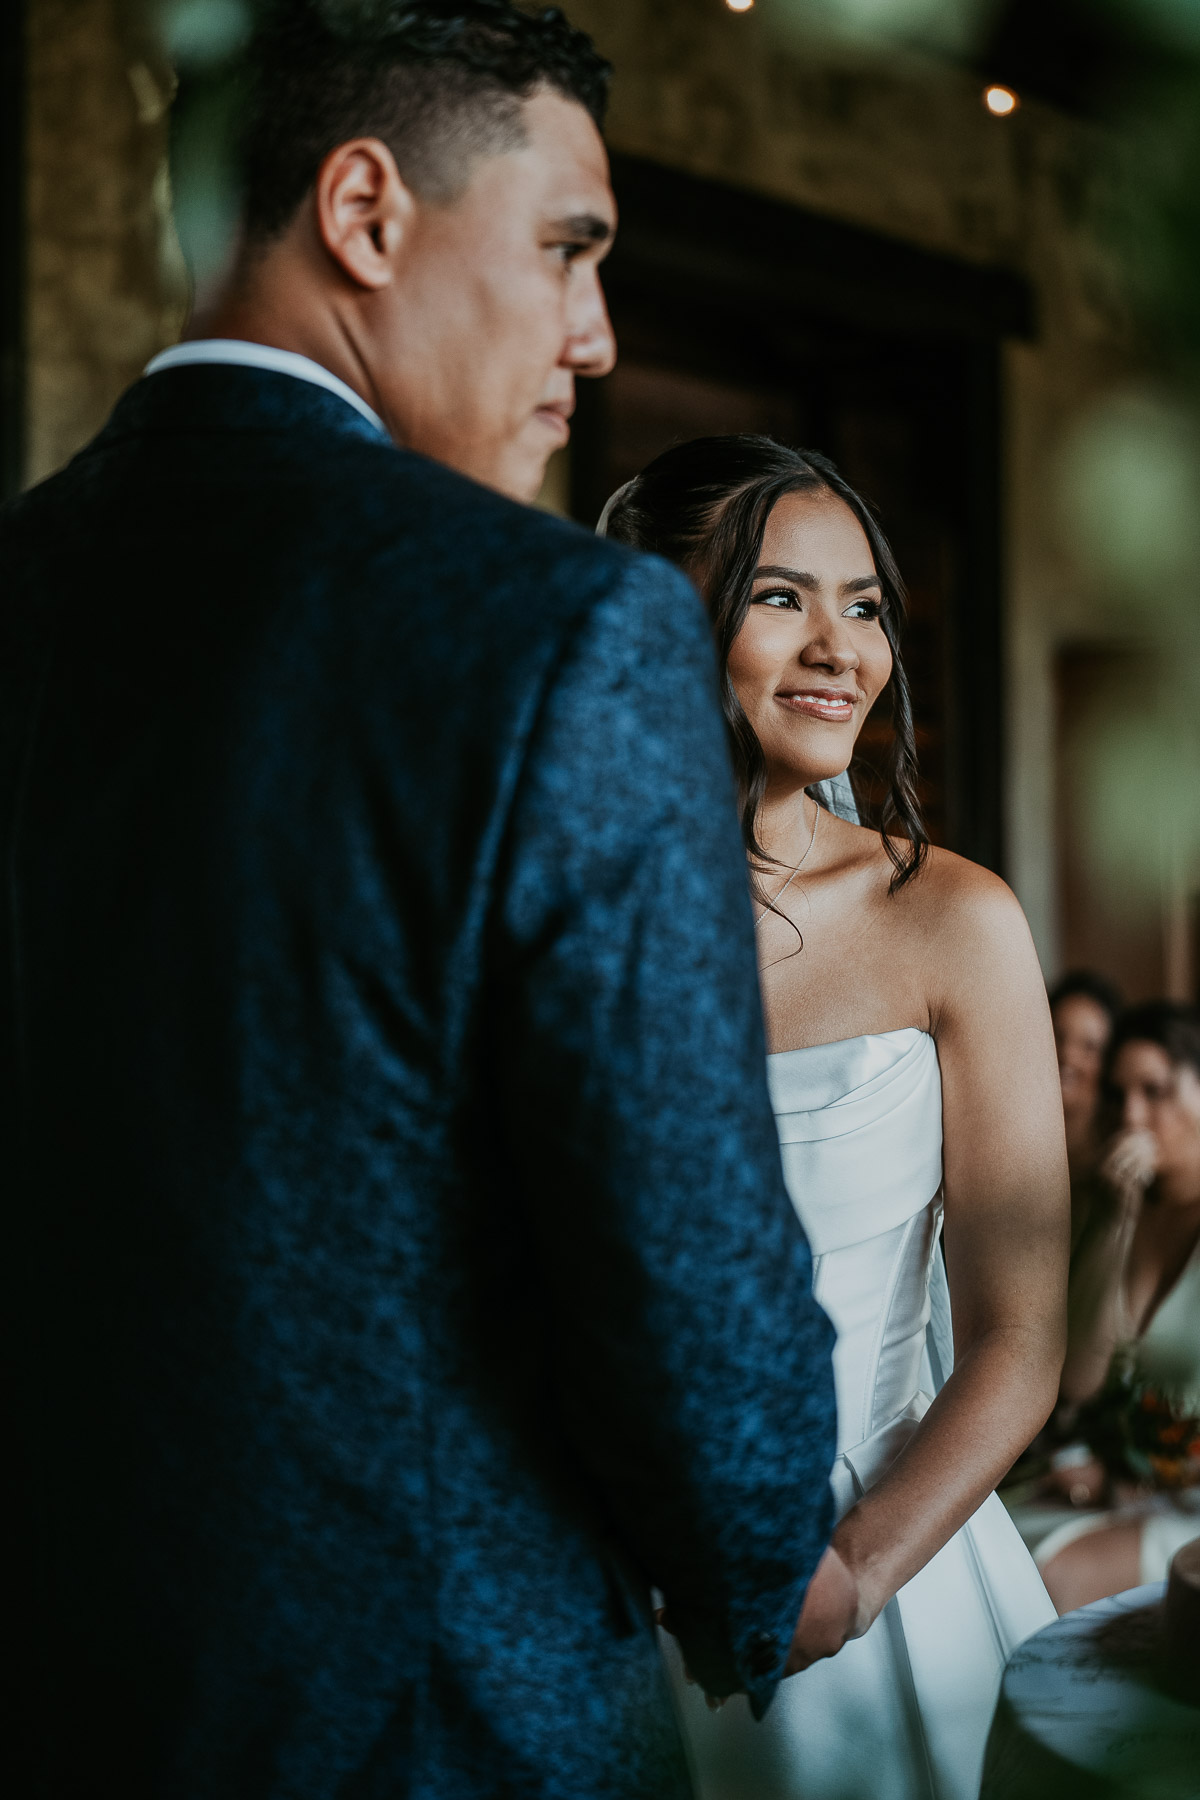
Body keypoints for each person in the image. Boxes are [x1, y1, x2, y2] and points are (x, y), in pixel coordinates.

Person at [0, 9, 839, 1798]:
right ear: (365, 214)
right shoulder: (558, 635)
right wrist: (770, 1571)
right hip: (432, 1722)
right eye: (567, 250)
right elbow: (681, 1257)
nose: (596, 342)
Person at [601, 435, 1069, 1800]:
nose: (839, 648)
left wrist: (852, 1574)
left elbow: (1020, 1336)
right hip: (608, 1594)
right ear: (654, 613)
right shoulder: (567, 915)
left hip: (885, 1576)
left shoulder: (953, 923)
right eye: (778, 595)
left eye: (863, 604)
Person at [1032, 1001, 1200, 1612]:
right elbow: (1078, 1381)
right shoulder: (1118, 1209)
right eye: (1120, 1094)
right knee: (996, 1554)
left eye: (1155, 1091)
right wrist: (1116, 1221)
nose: (1133, 1115)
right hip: (1131, 1493)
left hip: (1186, 1508)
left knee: (1050, 1578)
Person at [1048, 969, 1123, 1246]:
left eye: (1089, 1046)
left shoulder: (1118, 1163)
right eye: (1057, 1036)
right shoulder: (1004, 1145)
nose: (1068, 1055)